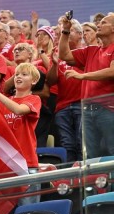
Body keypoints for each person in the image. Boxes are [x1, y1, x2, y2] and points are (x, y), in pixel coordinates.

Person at [0, 62, 41, 205]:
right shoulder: (3, 102)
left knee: (28, 212)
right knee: (3, 213)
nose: (18, 76)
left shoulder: (34, 99)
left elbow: (19, 110)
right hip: (4, 165)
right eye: (17, 74)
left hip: (26, 164)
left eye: (24, 74)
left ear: (34, 81)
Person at [58, 13, 114, 158]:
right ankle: (94, 181)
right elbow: (64, 55)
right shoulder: (91, 51)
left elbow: (112, 71)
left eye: (104, 23)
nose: (99, 25)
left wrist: (83, 76)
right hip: (87, 111)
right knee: (90, 156)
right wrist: (65, 31)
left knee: (112, 150)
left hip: (109, 110)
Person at [46, 20, 84, 163]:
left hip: (83, 104)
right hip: (62, 107)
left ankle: (84, 180)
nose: (65, 34)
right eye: (63, 32)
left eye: (70, 31)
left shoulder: (88, 51)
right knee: (67, 145)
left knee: (82, 144)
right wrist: (55, 65)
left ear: (80, 35)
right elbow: (50, 81)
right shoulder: (57, 53)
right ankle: (70, 181)